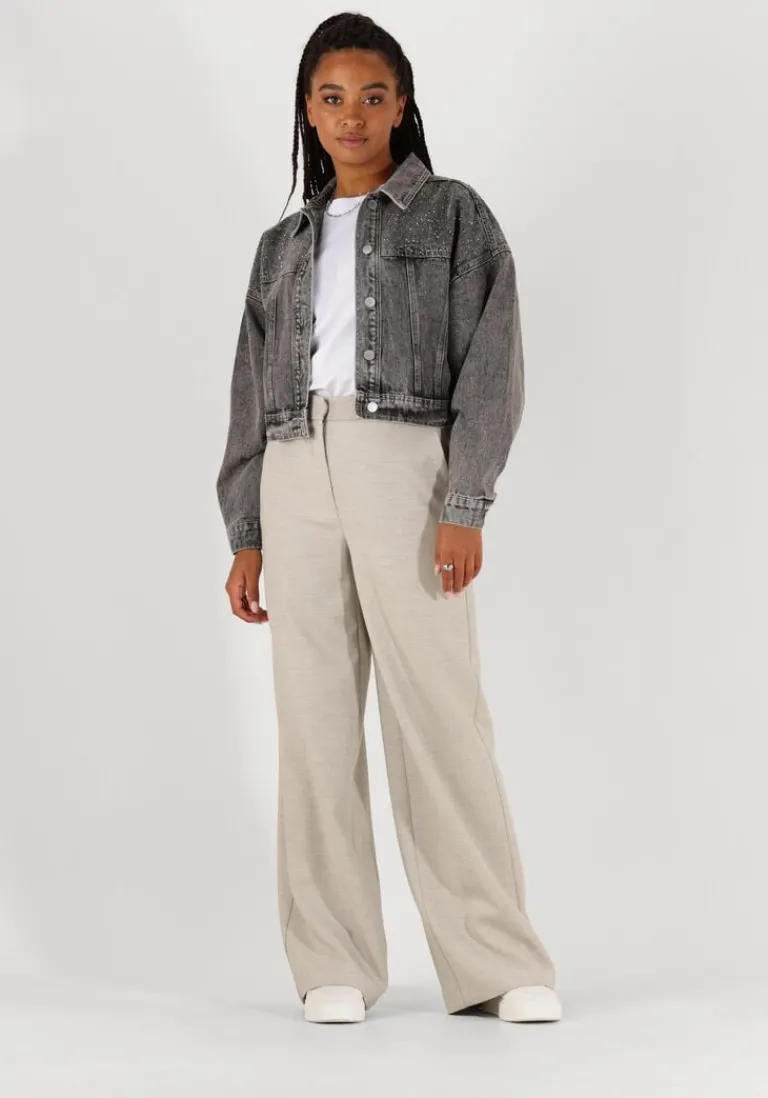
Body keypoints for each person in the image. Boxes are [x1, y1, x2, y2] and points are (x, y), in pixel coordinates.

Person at [216, 11, 562, 1025]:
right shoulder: (281, 246)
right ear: (307, 112)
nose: (352, 115)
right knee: (313, 720)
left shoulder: (452, 216)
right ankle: (332, 961)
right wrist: (247, 531)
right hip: (293, 465)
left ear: (402, 105)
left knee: (439, 712)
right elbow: (249, 390)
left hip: (405, 463)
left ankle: (495, 961)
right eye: (331, 98)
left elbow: (492, 361)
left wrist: (466, 500)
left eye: (372, 96)